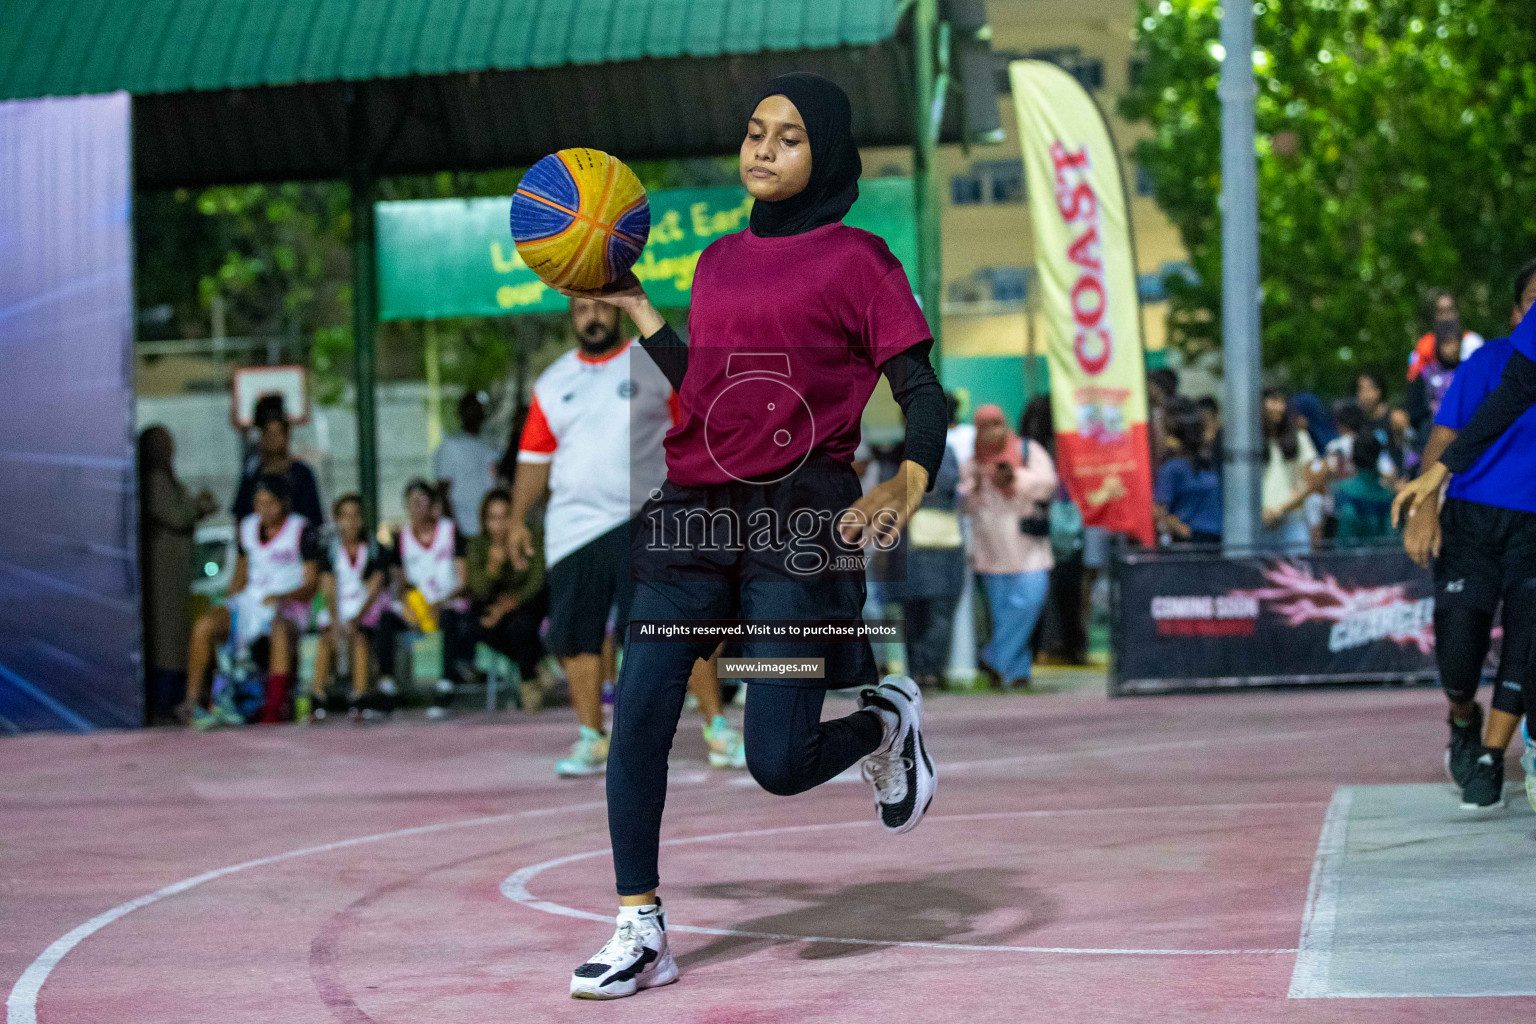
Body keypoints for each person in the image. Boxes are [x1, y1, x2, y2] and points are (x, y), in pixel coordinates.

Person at [555, 74, 945, 999]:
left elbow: (922, 391)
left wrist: (910, 476)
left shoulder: (862, 261)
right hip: (693, 518)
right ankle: (639, 926)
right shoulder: (718, 264)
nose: (764, 149)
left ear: (829, 156)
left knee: (777, 760)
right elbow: (711, 389)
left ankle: (885, 720)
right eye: (755, 132)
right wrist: (641, 307)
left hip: (796, 528)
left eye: (790, 138)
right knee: (640, 712)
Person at [510, 293, 745, 777]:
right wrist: (515, 520)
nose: (591, 317)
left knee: (683, 626)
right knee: (578, 638)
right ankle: (592, 738)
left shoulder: (652, 362)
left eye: (599, 307)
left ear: (616, 310)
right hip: (574, 529)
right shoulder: (554, 382)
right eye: (581, 310)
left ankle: (717, 729)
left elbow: (699, 424)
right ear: (572, 318)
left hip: (653, 515)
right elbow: (534, 460)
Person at [1393, 260, 1536, 811]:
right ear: (1516, 313)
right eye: (1532, 300)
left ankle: (1489, 757)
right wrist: (1426, 502)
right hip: (1473, 518)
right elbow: (1448, 434)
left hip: (1534, 526)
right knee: (1459, 654)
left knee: (1526, 644)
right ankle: (1462, 716)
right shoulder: (1488, 363)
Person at [180, 475, 320, 729]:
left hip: (287, 604)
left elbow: (311, 583)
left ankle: (273, 710)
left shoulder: (301, 529)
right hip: (251, 603)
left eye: (270, 503)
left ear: (284, 504)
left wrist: (283, 597)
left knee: (278, 629)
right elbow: (241, 574)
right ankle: (194, 704)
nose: (263, 510)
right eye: (259, 503)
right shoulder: (247, 527)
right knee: (205, 625)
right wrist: (229, 605)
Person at [962, 404, 1057, 688]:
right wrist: (976, 485)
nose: (992, 431)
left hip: (1029, 548)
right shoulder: (973, 461)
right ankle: (1015, 672)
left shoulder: (1028, 450)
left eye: (996, 423)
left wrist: (1015, 477)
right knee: (1004, 615)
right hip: (992, 549)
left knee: (1030, 603)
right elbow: (965, 503)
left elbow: (1048, 484)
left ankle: (993, 656)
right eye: (985, 425)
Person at [138, 426, 219, 724]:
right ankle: (166, 698)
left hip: (174, 573)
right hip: (163, 576)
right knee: (167, 637)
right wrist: (198, 506)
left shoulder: (166, 480)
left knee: (178, 632)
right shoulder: (155, 481)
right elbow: (177, 515)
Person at [375, 479, 471, 719]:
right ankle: (387, 686)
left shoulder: (451, 531)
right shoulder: (401, 538)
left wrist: (440, 602)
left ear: (433, 505)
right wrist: (408, 604)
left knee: (450, 618)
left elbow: (463, 581)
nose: (415, 507)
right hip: (417, 607)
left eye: (421, 501)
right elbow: (400, 582)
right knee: (386, 620)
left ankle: (445, 686)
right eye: (411, 503)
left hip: (447, 602)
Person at [466, 487, 550, 712]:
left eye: (505, 517)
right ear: (484, 521)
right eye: (493, 518)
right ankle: (537, 662)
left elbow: (536, 581)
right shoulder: (477, 546)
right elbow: (478, 589)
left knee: (520, 626)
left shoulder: (530, 538)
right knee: (476, 626)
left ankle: (528, 681)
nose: (499, 525)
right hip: (492, 608)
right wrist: (493, 566)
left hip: (525, 604)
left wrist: (508, 606)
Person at [311, 494, 387, 720]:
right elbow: (328, 589)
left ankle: (360, 697)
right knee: (327, 639)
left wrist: (356, 619)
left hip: (364, 608)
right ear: (337, 520)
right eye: (345, 516)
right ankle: (318, 696)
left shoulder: (375, 550)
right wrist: (336, 622)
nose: (351, 522)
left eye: (355, 516)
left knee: (360, 638)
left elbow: (374, 588)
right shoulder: (330, 551)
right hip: (338, 608)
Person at [232, 395, 323, 526]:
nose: (273, 439)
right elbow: (242, 518)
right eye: (268, 433)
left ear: (287, 435)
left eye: (278, 433)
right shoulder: (252, 474)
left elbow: (313, 519)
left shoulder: (301, 473)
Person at [1260, 387, 1321, 553]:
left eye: (1282, 402)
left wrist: (1280, 510)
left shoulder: (1299, 438)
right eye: (1273, 401)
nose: (1279, 407)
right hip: (1259, 527)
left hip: (1293, 524)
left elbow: (1310, 484)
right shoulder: (1251, 443)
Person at [434, 391, 501, 538]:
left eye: (478, 409)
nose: (474, 413)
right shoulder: (449, 447)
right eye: (470, 409)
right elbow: (442, 491)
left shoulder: (490, 448)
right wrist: (452, 530)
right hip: (461, 529)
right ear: (460, 413)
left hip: (489, 530)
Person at [1154, 401, 1222, 545]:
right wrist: (1181, 529)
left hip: (1220, 540)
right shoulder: (1172, 468)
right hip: (1190, 545)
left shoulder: (1213, 464)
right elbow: (1160, 511)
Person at [1330, 434, 1396, 543]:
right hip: (1382, 558)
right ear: (1377, 456)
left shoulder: (1340, 490)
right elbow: (1391, 539)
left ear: (1352, 458)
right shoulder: (1388, 496)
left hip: (1346, 558)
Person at [1407, 289, 1484, 382]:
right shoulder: (1426, 345)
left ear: (1457, 312)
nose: (1446, 316)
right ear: (1435, 315)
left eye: (1450, 310)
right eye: (1441, 311)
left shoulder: (1472, 341)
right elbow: (1414, 379)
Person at [1406, 321, 1463, 440]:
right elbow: (1414, 411)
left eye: (1456, 342)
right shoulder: (1425, 373)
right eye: (1447, 343)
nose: (1453, 348)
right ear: (1438, 345)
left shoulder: (1466, 372)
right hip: (1430, 434)